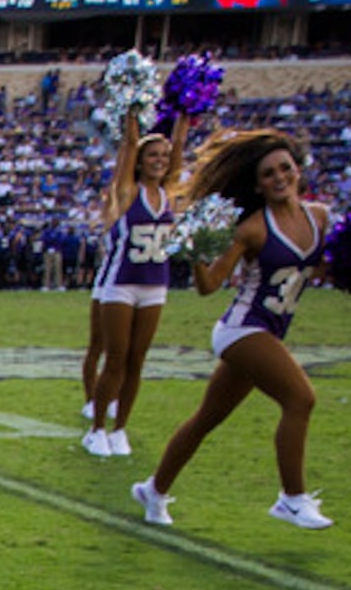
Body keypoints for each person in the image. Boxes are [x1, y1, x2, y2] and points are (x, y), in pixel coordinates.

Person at [133, 127, 336, 532]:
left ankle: (153, 489)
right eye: (268, 174)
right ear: (257, 185)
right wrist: (193, 252)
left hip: (270, 332)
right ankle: (291, 499)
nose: (279, 178)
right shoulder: (253, 229)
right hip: (242, 330)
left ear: (298, 170)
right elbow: (209, 286)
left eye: (285, 168)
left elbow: (321, 271)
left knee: (206, 418)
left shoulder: (320, 217)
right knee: (301, 399)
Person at [81, 110, 191, 459]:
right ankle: (97, 427)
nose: (159, 160)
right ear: (140, 162)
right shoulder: (127, 192)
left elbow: (180, 148)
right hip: (120, 284)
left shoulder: (170, 194)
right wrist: (131, 111)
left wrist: (184, 114)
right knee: (115, 358)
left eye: (164, 155)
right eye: (152, 155)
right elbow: (129, 144)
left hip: (155, 285)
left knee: (137, 362)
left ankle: (120, 428)